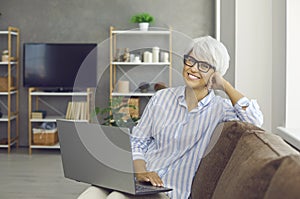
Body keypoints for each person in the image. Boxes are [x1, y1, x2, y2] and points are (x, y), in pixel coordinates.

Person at [78, 36, 263, 199]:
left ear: (216, 74)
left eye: (204, 65)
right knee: (90, 195)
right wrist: (141, 172)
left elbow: (255, 120)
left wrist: (225, 86)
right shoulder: (162, 98)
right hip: (138, 179)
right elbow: (137, 141)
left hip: (168, 191)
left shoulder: (221, 110)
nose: (193, 68)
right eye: (190, 60)